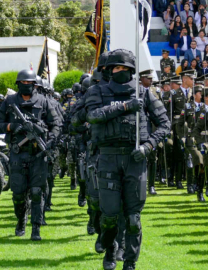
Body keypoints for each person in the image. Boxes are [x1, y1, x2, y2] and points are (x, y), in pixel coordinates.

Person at [72, 49, 170, 270]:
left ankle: (130, 262)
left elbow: (165, 124)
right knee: (110, 215)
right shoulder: (97, 91)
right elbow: (93, 116)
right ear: (108, 70)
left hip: (135, 160)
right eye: (117, 68)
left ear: (132, 71)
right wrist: (125, 106)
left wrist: (148, 146)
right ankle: (110, 249)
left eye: (125, 69)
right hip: (107, 158)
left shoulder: (143, 93)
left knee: (133, 218)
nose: (121, 72)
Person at [0, 69, 60, 241]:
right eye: (23, 83)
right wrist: (11, 127)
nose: (26, 86)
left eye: (29, 83)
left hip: (38, 154)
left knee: (38, 192)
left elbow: (56, 124)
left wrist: (50, 139)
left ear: (35, 85)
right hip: (18, 153)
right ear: (18, 84)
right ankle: (21, 220)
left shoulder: (44, 101)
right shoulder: (9, 102)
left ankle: (36, 228)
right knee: (18, 194)